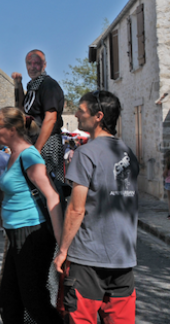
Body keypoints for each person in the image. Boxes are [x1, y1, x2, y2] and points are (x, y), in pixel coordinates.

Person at [53, 91, 140, 323]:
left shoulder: (85, 153)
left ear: (98, 116)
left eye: (81, 110)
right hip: (123, 259)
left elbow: (76, 209)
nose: (77, 114)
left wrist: (62, 251)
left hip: (88, 260)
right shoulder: (128, 153)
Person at [0, 106, 64, 324]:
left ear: (11, 129)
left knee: (34, 300)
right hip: (16, 234)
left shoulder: (29, 155)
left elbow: (52, 196)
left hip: (31, 234)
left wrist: (62, 246)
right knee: (9, 299)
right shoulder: (13, 154)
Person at [12, 49, 66, 184]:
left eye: (36, 63)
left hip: (47, 144)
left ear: (44, 65)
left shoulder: (48, 85)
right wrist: (18, 84)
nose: (32, 67)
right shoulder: (32, 86)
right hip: (34, 142)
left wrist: (37, 149)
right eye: (29, 63)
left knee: (48, 188)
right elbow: (22, 110)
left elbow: (51, 119)